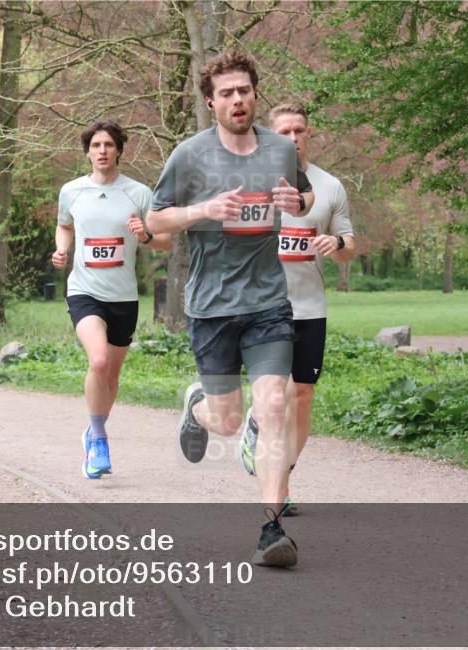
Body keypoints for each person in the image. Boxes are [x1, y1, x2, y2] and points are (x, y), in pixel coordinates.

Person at [146, 50, 314, 568]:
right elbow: (154, 221)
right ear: (210, 102)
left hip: (267, 302)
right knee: (227, 421)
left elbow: (305, 196)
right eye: (226, 93)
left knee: (274, 406)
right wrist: (204, 210)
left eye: (244, 90)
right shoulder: (190, 155)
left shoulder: (280, 150)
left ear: (255, 94)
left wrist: (296, 204)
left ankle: (271, 529)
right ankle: (197, 407)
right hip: (212, 306)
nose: (237, 100)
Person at [238, 103, 356, 516]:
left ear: (309, 134)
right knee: (280, 392)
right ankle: (258, 425)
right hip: (263, 307)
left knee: (302, 396)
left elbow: (349, 245)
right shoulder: (252, 181)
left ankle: (282, 478)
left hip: (310, 307)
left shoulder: (330, 186)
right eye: (284, 132)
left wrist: (336, 244)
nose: (292, 138)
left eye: (299, 130)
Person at [53, 120, 173, 479]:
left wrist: (146, 236)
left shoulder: (139, 193)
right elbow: (64, 225)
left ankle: (93, 431)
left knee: (112, 374)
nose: (102, 151)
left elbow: (166, 241)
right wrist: (62, 249)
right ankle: (99, 439)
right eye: (95, 145)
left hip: (123, 297)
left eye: (108, 144)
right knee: (100, 361)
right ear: (87, 152)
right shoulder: (72, 191)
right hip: (84, 291)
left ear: (119, 149)